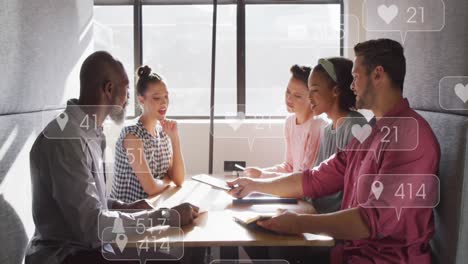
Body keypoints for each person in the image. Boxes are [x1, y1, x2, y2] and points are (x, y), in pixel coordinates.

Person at [227, 39, 441, 263]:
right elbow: (315, 179)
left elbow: (370, 221)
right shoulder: (370, 131)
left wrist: (298, 223)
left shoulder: (411, 137)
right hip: (350, 252)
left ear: (378, 75)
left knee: (277, 250)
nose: (352, 86)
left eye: (356, 77)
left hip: (383, 259)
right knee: (262, 242)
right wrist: (255, 186)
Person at [25, 51, 198, 264]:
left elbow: (85, 201)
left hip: (88, 246)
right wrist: (165, 217)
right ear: (108, 89)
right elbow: (90, 226)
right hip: (67, 255)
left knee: (180, 254)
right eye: (126, 89)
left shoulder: (89, 132)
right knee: (175, 259)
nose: (128, 98)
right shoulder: (66, 140)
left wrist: (123, 206)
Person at [110, 65, 185, 203]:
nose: (164, 102)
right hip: (129, 214)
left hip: (154, 205)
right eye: (156, 98)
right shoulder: (132, 135)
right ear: (141, 100)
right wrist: (167, 179)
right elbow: (150, 188)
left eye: (166, 96)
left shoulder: (162, 132)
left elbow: (179, 179)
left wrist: (174, 138)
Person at [307, 57, 367, 214]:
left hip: (337, 217)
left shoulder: (355, 126)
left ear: (335, 91)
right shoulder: (327, 130)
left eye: (314, 90)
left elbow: (355, 187)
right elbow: (317, 178)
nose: (309, 97)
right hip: (319, 211)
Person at [244, 65, 326, 178]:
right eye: (288, 92)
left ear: (311, 98)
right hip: (295, 185)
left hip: (306, 190)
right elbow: (289, 167)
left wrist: (263, 175)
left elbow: (304, 175)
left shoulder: (316, 125)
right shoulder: (290, 122)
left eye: (297, 96)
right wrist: (259, 172)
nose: (289, 99)